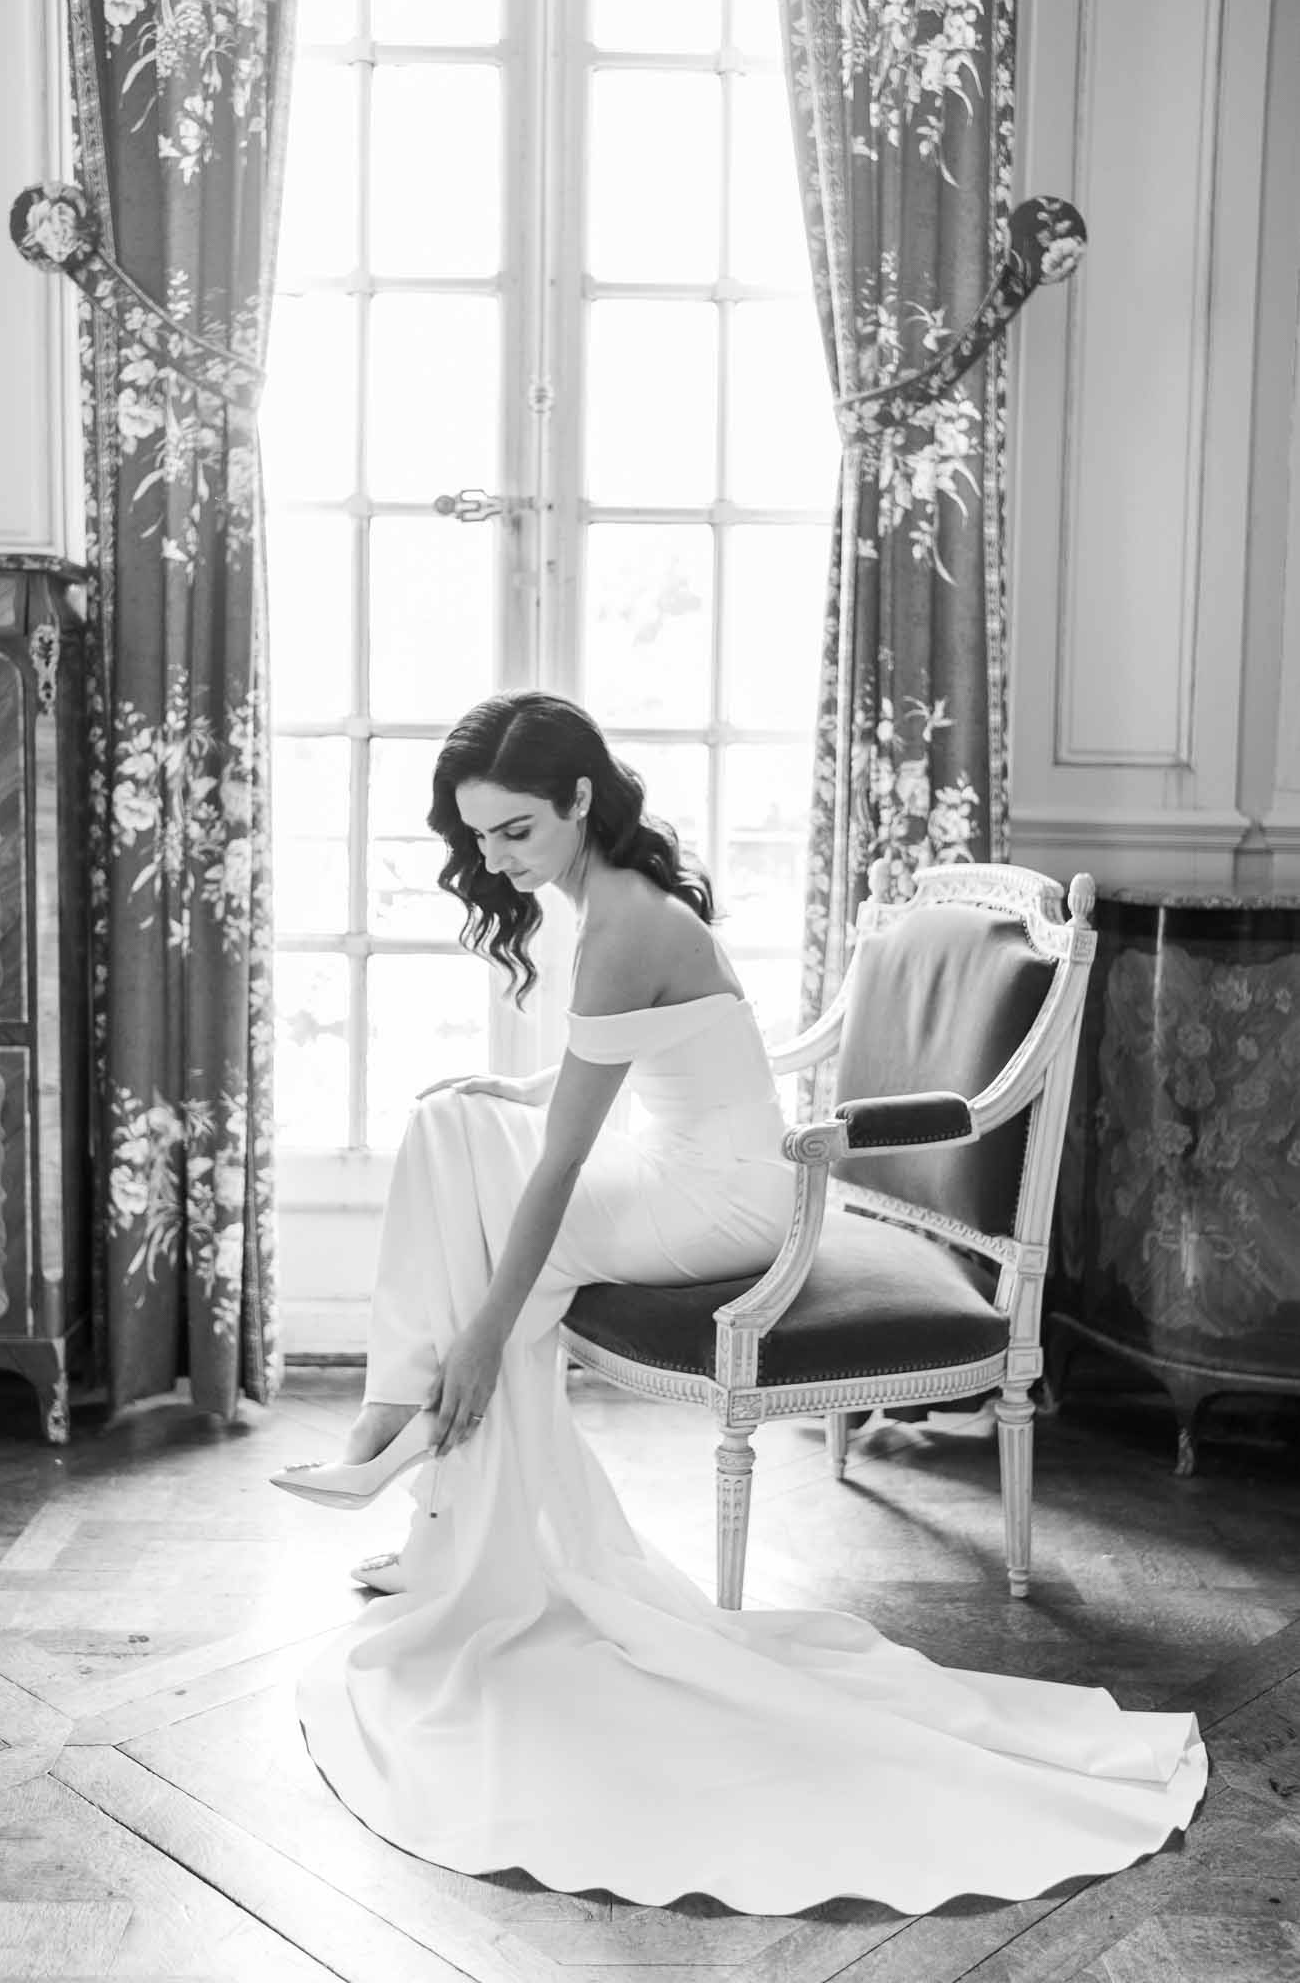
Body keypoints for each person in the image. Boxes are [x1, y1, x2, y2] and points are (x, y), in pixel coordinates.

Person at [272, 689, 1206, 1916]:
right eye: (479, 838)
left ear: (578, 801)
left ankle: (418, 1457)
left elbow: (561, 1163)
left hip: (726, 1200)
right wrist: (510, 1087)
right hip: (693, 1162)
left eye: (511, 832)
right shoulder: (600, 898)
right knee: (453, 1122)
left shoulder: (621, 921)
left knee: (501, 1222)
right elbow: (617, 1068)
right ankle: (421, 1458)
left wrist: (491, 1331)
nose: (495, 859)